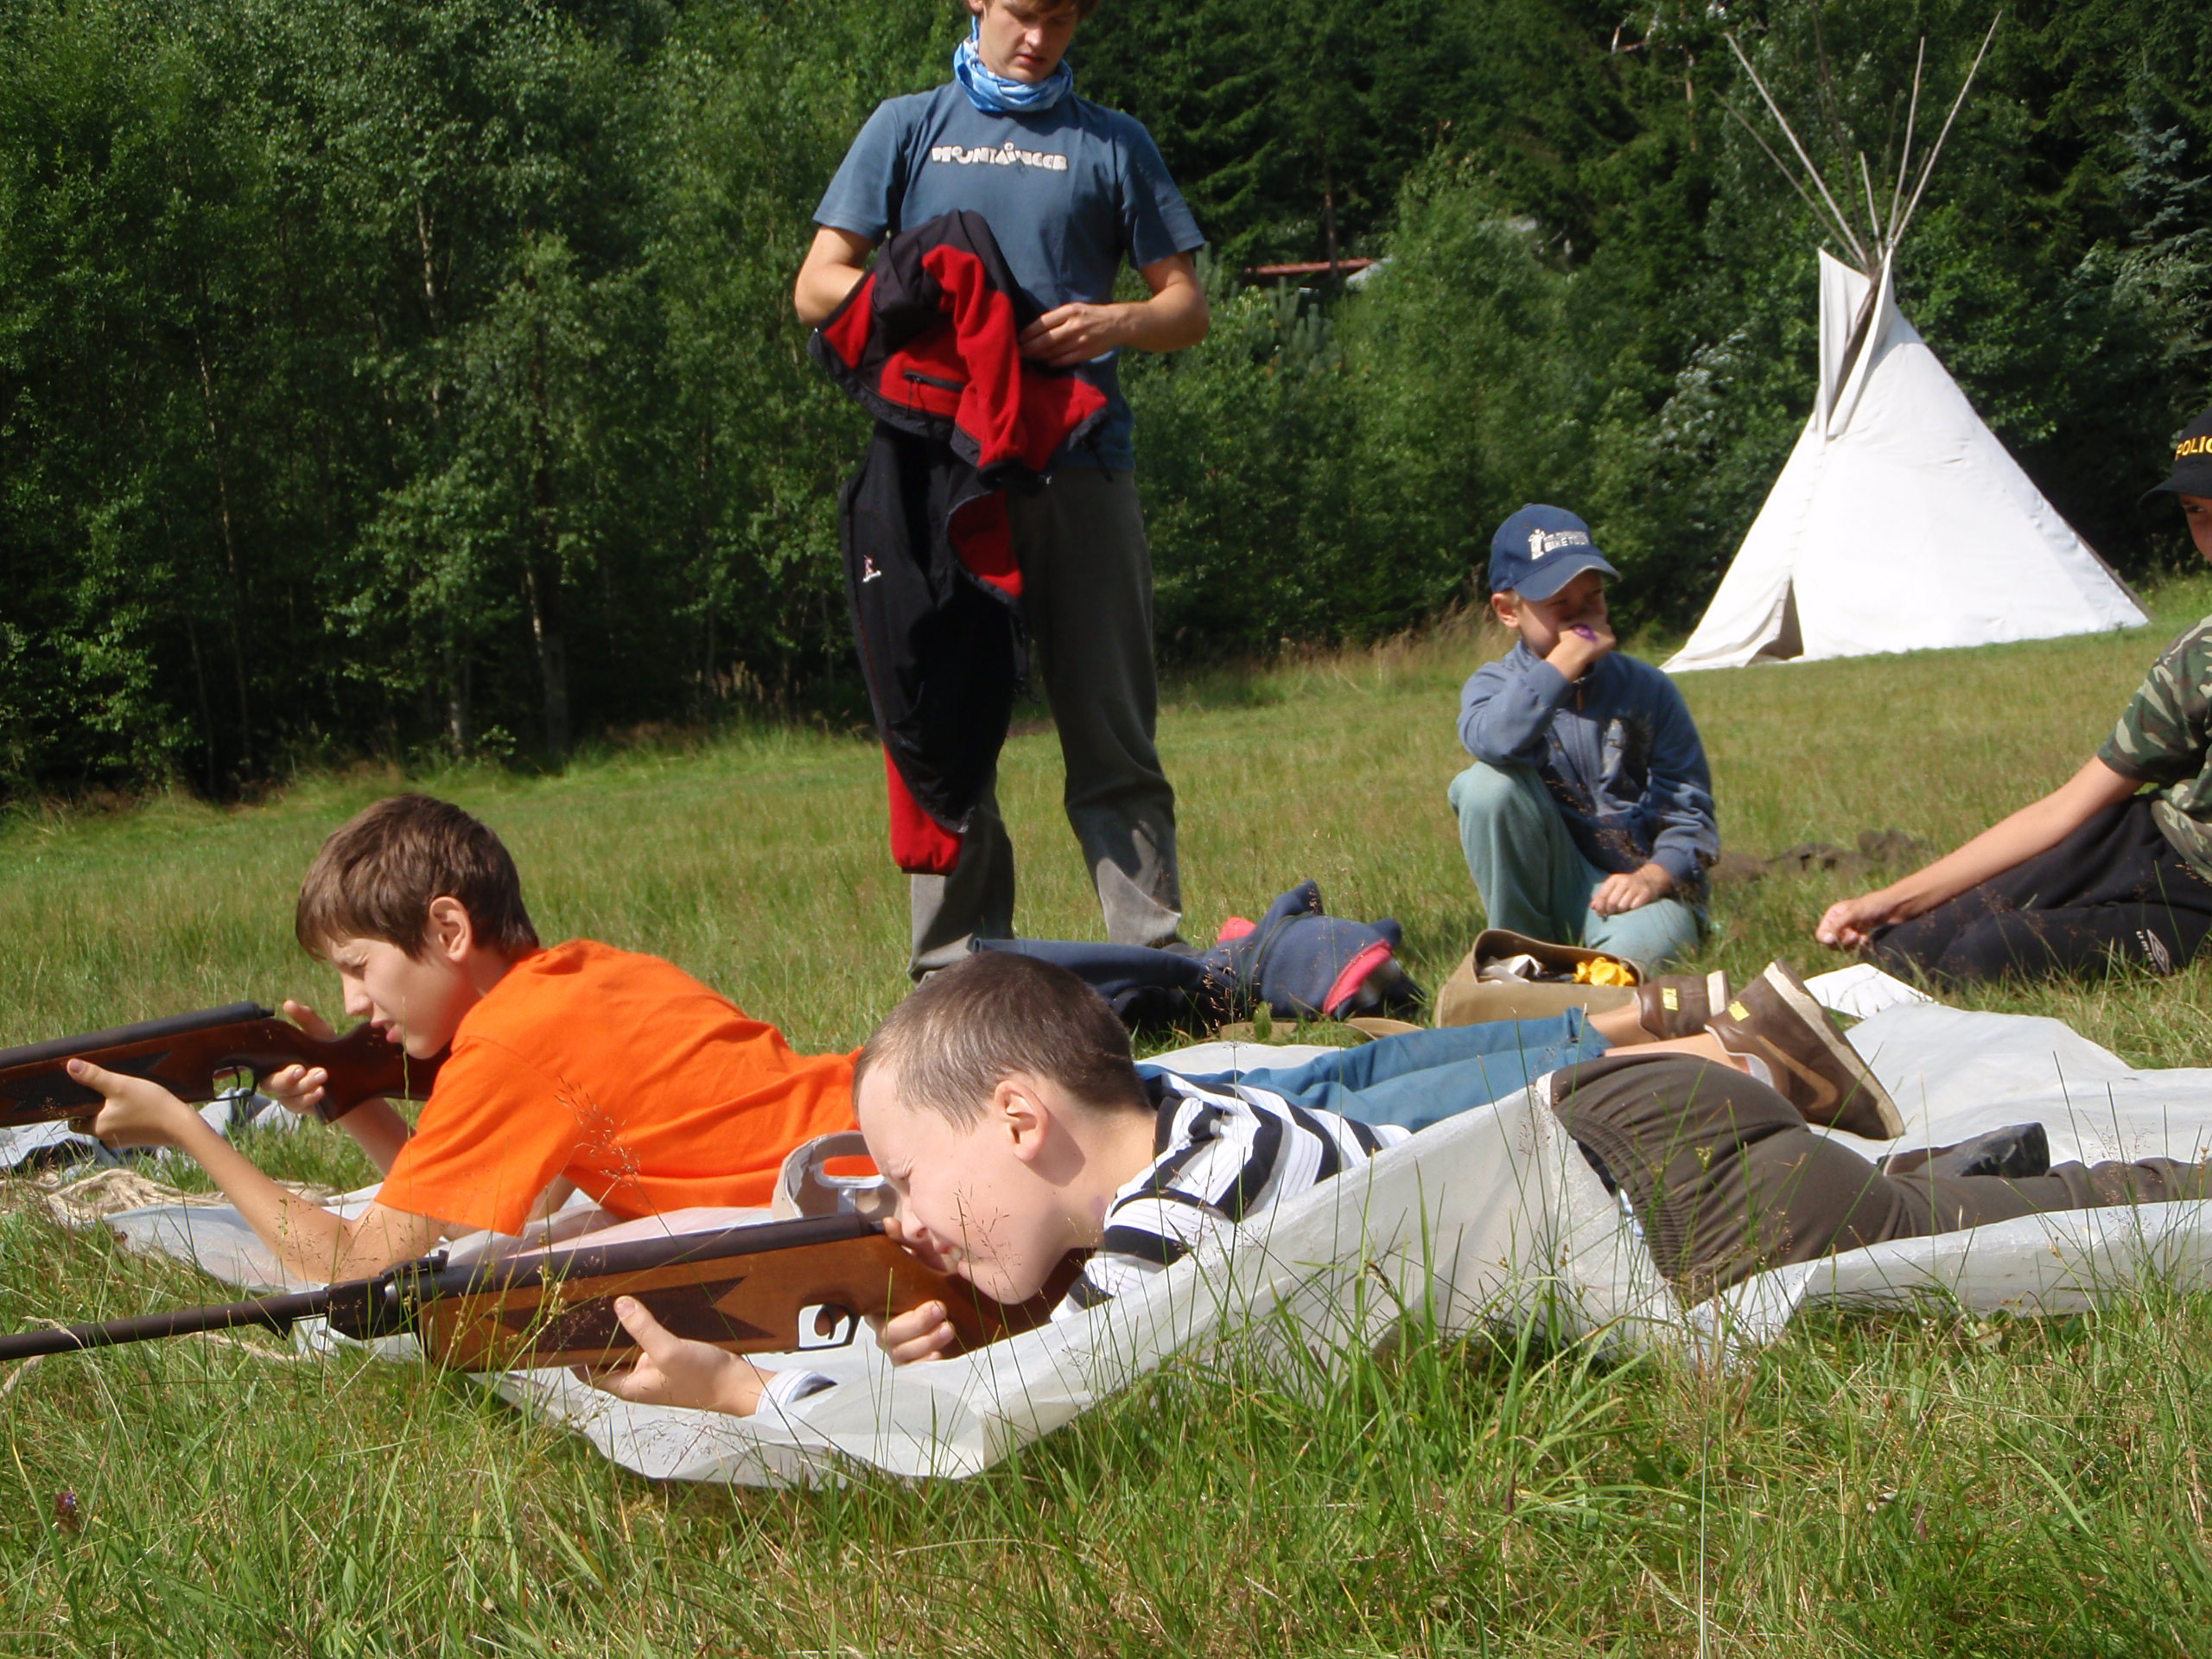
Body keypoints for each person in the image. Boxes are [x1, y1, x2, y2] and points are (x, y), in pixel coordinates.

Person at [597, 950, 1910, 1417]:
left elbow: (1007, 1427)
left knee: (1986, 1238)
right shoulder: (1185, 1120)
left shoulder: (1171, 1224)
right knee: (1944, 1202)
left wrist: (747, 1392)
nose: (906, 1219)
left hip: (1674, 1202)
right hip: (1629, 1144)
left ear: (1020, 1120)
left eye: (905, 1177)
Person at [796, 0, 1211, 978]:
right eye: (1023, 14)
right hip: (938, 470)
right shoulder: (907, 126)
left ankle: (1153, 960)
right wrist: (927, 299)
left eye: (1061, 20)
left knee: (1110, 721)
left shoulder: (1112, 142)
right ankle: (960, 974)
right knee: (943, 717)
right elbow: (817, 285)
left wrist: (1114, 322)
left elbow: (1185, 307)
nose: (1038, 39)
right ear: (977, 1)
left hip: (1081, 463)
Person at [62, 795, 856, 1284]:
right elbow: (470, 1215)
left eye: (359, 966)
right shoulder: (588, 972)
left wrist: (184, 1128)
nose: (352, 1000)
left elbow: (354, 1267)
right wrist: (349, 1095)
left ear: (448, 929)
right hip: (871, 1129)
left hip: (869, 1189)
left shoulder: (509, 1046)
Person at [1817, 407, 2212, 985]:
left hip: (2198, 904)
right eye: (2197, 512)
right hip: (2139, 843)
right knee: (1903, 950)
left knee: (1986, 957)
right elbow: (2068, 808)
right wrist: (1894, 900)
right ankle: (1713, 1026)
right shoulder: (2199, 657)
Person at [1450, 505, 1718, 970]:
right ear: (1508, 611)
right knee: (1485, 786)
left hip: (1631, 885)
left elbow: (1689, 811)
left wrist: (1656, 876)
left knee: (1642, 958)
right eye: (1560, 604)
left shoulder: (1649, 689)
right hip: (1549, 879)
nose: (1582, 618)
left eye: (1593, 596)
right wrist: (1561, 667)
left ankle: (1603, 964)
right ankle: (1521, 952)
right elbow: (1494, 740)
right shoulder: (1494, 685)